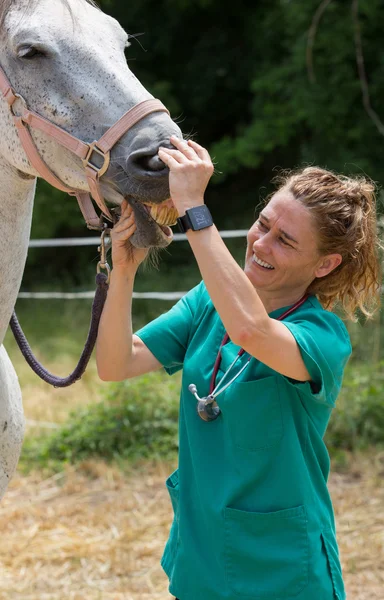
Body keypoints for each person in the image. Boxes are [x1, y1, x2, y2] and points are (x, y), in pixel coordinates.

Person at [96, 136, 381, 600]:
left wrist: (193, 208)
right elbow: (114, 363)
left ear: (325, 264)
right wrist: (124, 270)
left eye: (284, 240)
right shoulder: (207, 302)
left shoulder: (323, 337)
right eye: (263, 224)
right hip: (201, 555)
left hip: (282, 570)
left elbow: (251, 330)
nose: (260, 244)